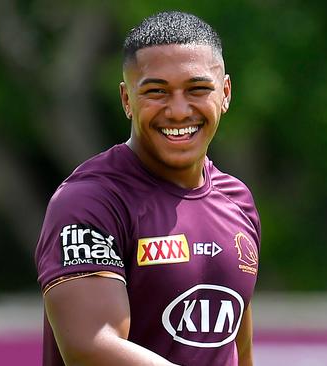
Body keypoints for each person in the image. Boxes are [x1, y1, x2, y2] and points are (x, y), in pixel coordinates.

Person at [35, 11, 260, 366]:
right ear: (127, 100)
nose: (178, 110)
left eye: (197, 89)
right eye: (157, 92)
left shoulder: (237, 201)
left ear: (226, 93)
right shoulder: (90, 202)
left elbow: (236, 351)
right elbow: (90, 349)